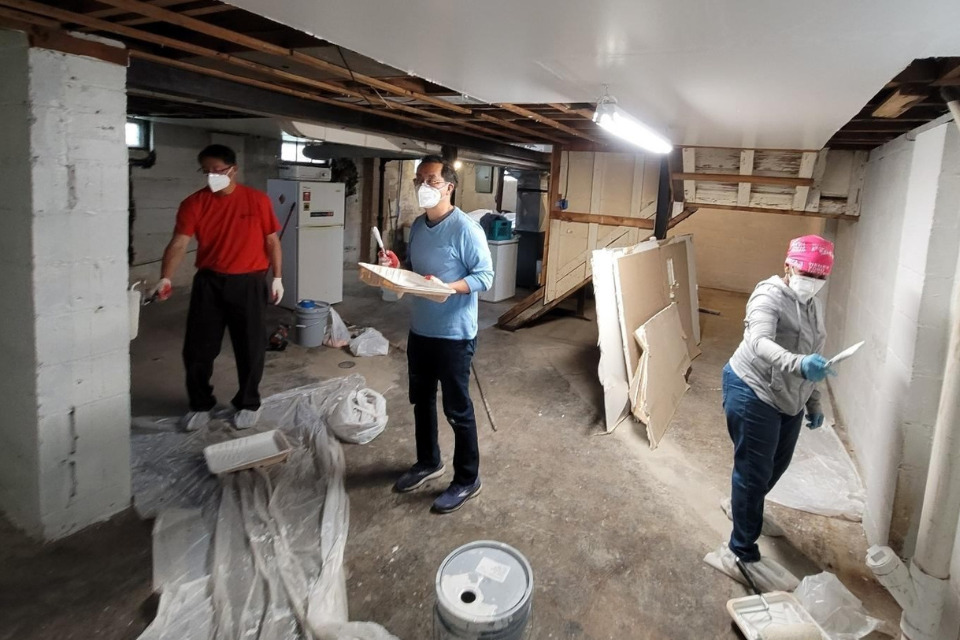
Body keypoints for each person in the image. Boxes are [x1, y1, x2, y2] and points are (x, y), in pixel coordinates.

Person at [379, 155, 494, 513]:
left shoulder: (465, 229)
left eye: (430, 180)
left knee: (458, 410)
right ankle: (429, 461)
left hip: (454, 336)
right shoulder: (417, 226)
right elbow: (416, 270)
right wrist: (399, 267)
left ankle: (467, 479)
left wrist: (450, 286)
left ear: (449, 186)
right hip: (421, 330)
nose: (423, 187)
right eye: (419, 181)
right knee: (422, 401)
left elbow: (485, 277)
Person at [719, 235, 835, 583]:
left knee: (775, 466)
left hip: (789, 397)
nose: (812, 282)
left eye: (820, 277)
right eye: (806, 273)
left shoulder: (811, 305)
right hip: (752, 390)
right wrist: (799, 364)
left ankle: (740, 507)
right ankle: (739, 551)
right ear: (788, 265)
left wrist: (812, 400)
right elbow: (759, 342)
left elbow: (812, 351)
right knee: (754, 472)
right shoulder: (768, 295)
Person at [150, 144, 283, 431]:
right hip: (209, 283)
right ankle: (200, 404)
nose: (212, 176)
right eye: (207, 171)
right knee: (198, 348)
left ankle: (248, 402)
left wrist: (277, 277)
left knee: (250, 347)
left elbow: (272, 241)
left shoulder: (257, 201)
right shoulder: (194, 203)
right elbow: (179, 242)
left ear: (233, 169)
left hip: (249, 282)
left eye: (218, 170)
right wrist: (166, 277)